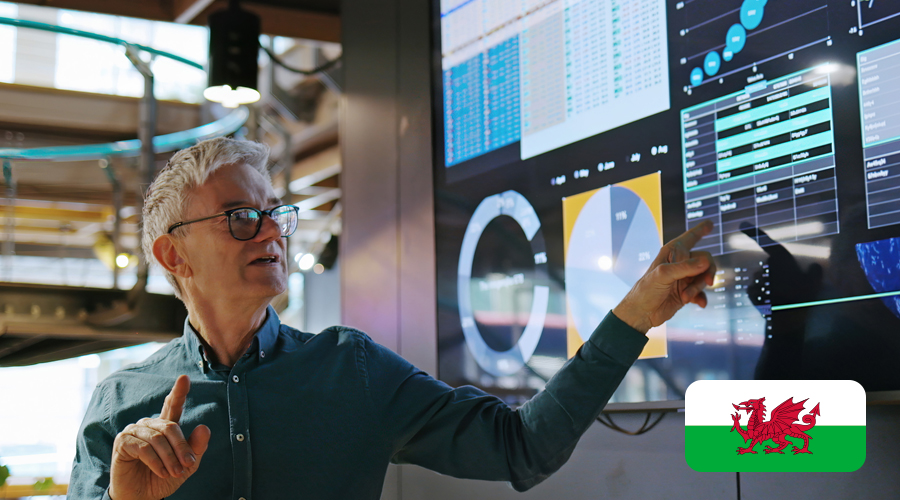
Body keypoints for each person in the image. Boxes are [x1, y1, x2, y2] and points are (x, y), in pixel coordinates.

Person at [68, 137, 716, 500]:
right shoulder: (120, 408)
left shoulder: (349, 369)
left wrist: (633, 317)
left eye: (274, 215)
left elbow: (522, 447)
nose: (270, 232)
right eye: (241, 218)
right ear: (173, 255)